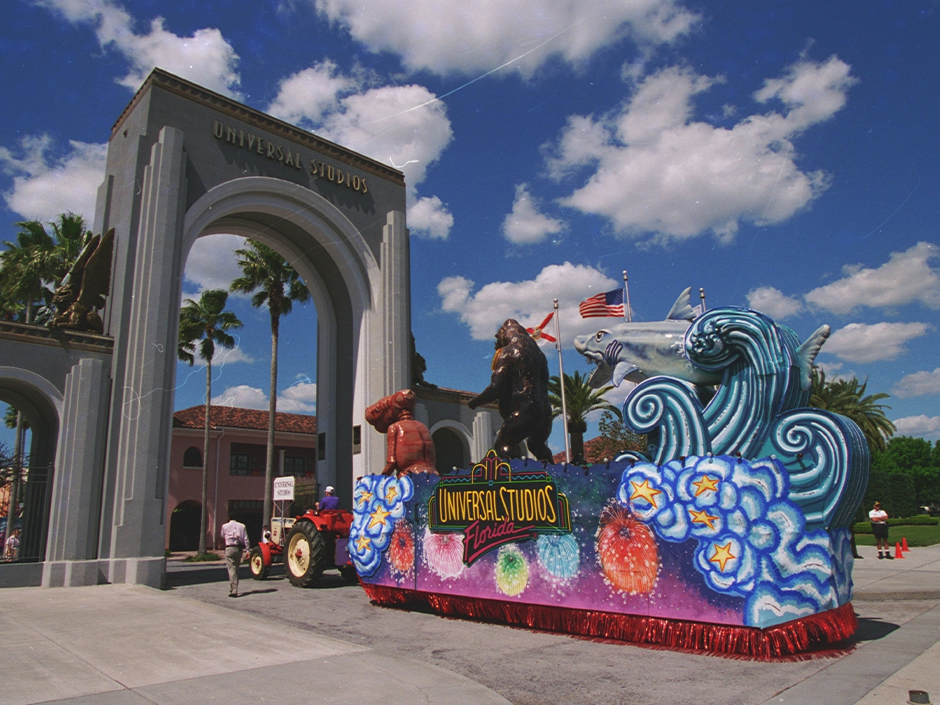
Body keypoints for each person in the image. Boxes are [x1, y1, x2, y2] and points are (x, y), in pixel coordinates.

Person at [220, 510, 249, 596]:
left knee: (231, 569)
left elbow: (222, 536)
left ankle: (234, 590)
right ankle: (234, 587)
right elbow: (245, 539)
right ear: (237, 518)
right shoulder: (242, 526)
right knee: (236, 568)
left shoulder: (224, 526)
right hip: (238, 548)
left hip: (229, 548)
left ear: (228, 518)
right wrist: (248, 550)